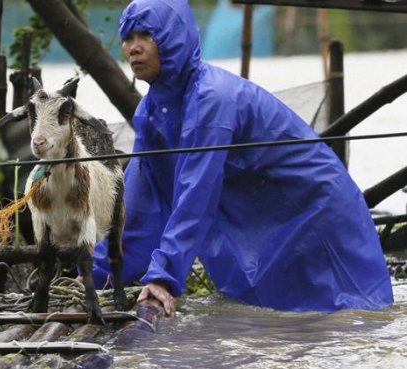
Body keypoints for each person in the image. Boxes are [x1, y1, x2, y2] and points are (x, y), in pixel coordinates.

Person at [90, 0, 393, 316]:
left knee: (354, 318)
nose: (133, 48)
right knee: (283, 321)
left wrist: (163, 277)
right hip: (269, 216)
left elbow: (196, 192)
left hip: (315, 213)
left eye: (145, 36)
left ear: (173, 38)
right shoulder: (150, 112)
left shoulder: (211, 99)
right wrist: (97, 276)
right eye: (128, 38)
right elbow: (142, 204)